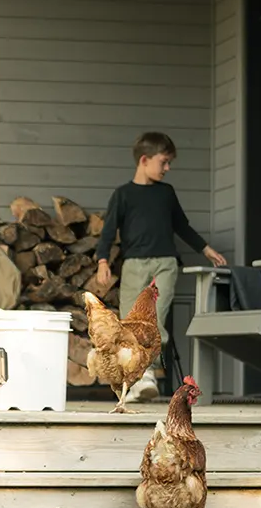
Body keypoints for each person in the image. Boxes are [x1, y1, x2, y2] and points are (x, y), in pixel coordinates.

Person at [95, 131, 226, 402]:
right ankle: (133, 381)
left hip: (165, 264)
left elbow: (182, 226)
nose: (167, 168)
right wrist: (103, 261)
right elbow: (108, 231)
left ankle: (147, 375)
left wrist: (205, 248)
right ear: (145, 159)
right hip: (133, 265)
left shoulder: (166, 194)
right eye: (164, 162)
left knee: (156, 320)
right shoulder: (123, 195)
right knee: (129, 322)